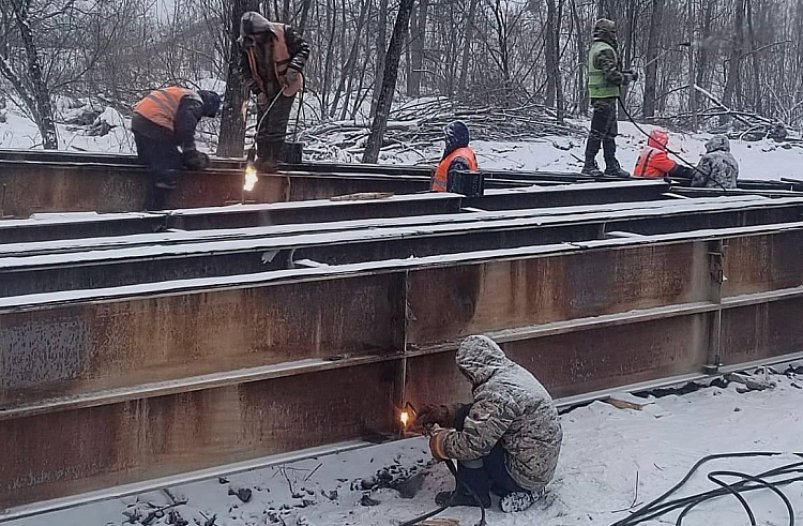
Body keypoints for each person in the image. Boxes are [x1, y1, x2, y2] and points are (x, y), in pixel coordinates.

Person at [416, 335, 563, 513]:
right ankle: (516, 485)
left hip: (524, 475)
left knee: (470, 436)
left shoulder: (497, 393)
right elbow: (486, 412)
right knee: (470, 420)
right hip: (538, 467)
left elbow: (472, 444)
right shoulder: (509, 373)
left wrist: (440, 443)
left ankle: (472, 494)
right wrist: (447, 414)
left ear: (472, 369)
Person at [239, 11, 310, 171]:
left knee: (277, 122)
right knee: (263, 123)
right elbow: (245, 71)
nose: (253, 41)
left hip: (285, 85)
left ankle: (273, 159)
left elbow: (304, 49)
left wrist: (294, 67)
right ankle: (262, 157)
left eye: (255, 37)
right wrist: (258, 92)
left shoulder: (284, 32)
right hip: (264, 87)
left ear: (262, 31)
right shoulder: (245, 44)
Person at [131, 87, 221, 210]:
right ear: (209, 105)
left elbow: (177, 132)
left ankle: (146, 206)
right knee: (169, 166)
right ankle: (155, 210)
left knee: (149, 161)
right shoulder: (195, 101)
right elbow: (185, 128)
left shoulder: (183, 94)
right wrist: (190, 153)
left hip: (139, 119)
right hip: (155, 122)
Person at [582, 18, 637, 178]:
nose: (615, 35)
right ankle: (589, 165)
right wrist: (629, 78)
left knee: (609, 133)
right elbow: (612, 76)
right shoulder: (604, 50)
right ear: (606, 33)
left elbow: (609, 71)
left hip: (606, 97)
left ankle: (611, 165)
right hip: (603, 98)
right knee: (598, 133)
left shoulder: (598, 47)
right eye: (612, 32)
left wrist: (624, 73)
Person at [431, 120, 479, 192]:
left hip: (445, 200)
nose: (446, 141)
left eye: (447, 138)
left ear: (454, 139)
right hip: (442, 198)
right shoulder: (462, 152)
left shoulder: (458, 160)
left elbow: (456, 191)